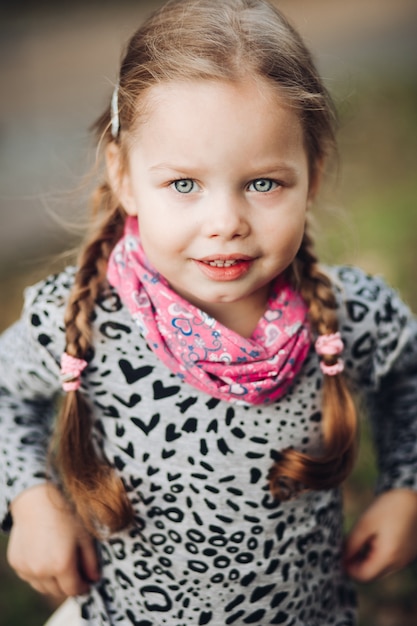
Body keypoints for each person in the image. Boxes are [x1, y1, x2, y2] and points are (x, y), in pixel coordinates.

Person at [1, 0, 417, 624]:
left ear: (314, 173)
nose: (226, 223)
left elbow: (409, 382)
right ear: (125, 177)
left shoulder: (351, 315)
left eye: (263, 183)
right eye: (185, 184)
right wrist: (30, 500)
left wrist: (405, 490)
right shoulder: (81, 323)